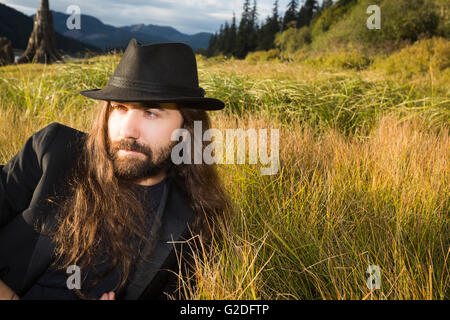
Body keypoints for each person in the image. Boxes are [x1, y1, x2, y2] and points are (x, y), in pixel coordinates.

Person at [0, 39, 231, 300]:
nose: (127, 131)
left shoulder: (192, 220)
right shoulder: (53, 153)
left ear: (186, 129)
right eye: (120, 108)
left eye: (151, 113)